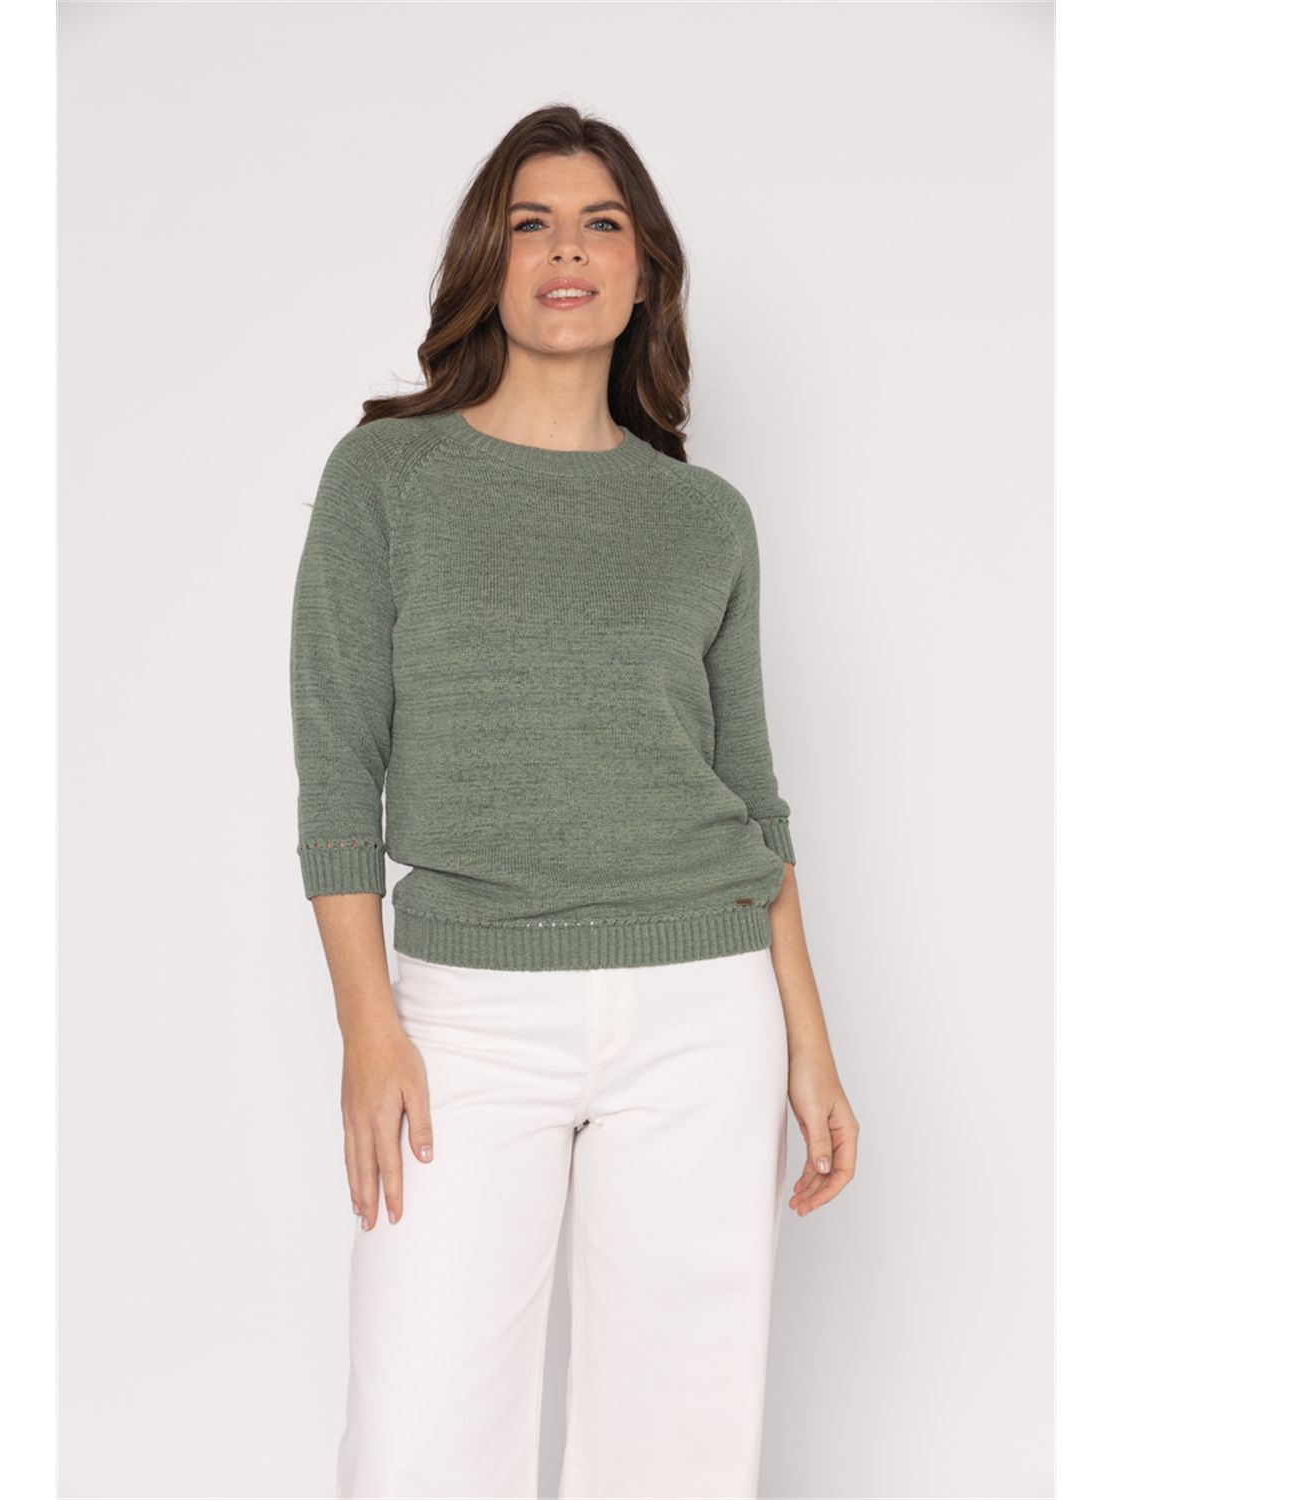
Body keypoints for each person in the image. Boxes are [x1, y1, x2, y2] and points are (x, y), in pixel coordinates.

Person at [290, 103, 860, 1500]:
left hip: (704, 1011)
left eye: (601, 224)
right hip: (468, 1014)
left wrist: (808, 1041)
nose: (566, 251)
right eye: (531, 223)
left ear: (644, 270)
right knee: (419, 1437)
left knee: (679, 1442)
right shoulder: (389, 478)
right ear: (487, 261)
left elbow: (753, 798)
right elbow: (336, 768)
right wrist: (369, 1026)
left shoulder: (704, 518)